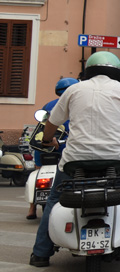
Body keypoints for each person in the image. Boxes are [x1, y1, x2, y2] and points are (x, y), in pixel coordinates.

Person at [29, 52, 120, 266]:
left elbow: (52, 122)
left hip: (74, 160)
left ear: (89, 70)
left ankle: (40, 253)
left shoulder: (73, 89)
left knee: (54, 199)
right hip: (116, 160)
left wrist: (48, 140)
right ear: (117, 72)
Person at [26, 77, 78, 220]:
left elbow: (42, 125)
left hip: (45, 146)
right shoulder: (76, 105)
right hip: (66, 146)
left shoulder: (48, 105)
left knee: (37, 171)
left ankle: (32, 208)